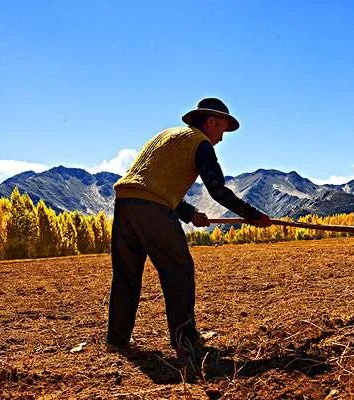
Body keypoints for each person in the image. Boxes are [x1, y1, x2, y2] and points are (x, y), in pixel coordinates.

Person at [106, 97, 271, 360]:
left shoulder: (168, 136)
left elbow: (151, 185)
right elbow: (217, 191)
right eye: (222, 130)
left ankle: (116, 340)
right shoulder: (200, 143)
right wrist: (252, 215)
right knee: (178, 268)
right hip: (151, 210)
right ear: (211, 121)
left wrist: (190, 213)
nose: (221, 138)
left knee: (126, 275)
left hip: (125, 203)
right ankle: (185, 338)